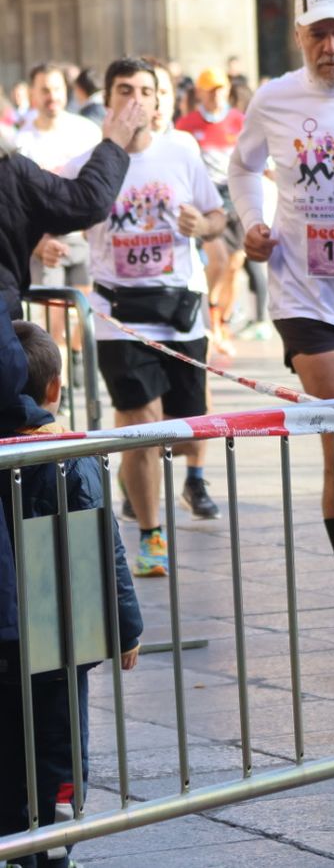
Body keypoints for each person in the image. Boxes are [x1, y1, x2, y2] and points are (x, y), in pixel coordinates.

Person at [228, 0, 334, 666]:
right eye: (317, 33)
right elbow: (242, 167)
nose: (331, 46)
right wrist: (252, 225)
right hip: (306, 295)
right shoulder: (275, 99)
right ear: (299, 36)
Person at [64, 56, 225, 576]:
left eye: (145, 91)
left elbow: (218, 216)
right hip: (118, 313)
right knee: (141, 425)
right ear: (107, 101)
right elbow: (39, 205)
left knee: (184, 429)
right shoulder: (88, 160)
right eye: (124, 90)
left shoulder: (181, 150)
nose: (136, 99)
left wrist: (202, 223)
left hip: (178, 310)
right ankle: (152, 536)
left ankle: (138, 478)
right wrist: (44, 243)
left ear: (160, 102)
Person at [0, 320, 142, 868]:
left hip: (10, 634)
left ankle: (14, 842)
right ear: (55, 388)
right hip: (59, 633)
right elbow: (104, 543)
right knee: (61, 749)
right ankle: (58, 839)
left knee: (10, 745)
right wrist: (126, 624)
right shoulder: (67, 449)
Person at [175, 68, 250, 353]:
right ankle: (211, 312)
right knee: (217, 259)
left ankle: (224, 320)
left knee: (235, 263)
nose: (217, 94)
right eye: (211, 89)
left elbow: (252, 158)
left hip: (233, 193)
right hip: (205, 198)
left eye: (220, 88)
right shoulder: (187, 124)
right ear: (201, 93)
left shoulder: (238, 120)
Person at [15, 64, 103, 300]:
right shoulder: (20, 142)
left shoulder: (89, 132)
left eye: (56, 88)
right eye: (44, 90)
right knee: (51, 329)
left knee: (87, 325)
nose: (51, 96)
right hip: (43, 245)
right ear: (32, 93)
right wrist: (37, 243)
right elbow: (15, 204)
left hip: (88, 243)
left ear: (67, 90)